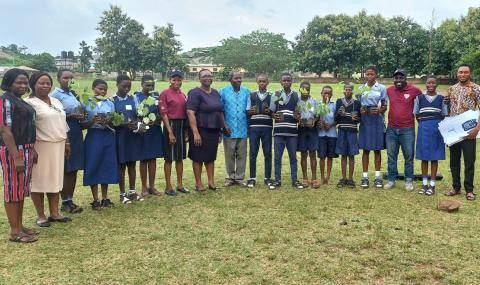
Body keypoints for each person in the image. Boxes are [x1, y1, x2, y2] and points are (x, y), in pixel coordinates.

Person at [25, 72, 72, 227]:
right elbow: (26, 128)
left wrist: (67, 142)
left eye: (48, 83)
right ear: (33, 84)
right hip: (41, 146)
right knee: (39, 181)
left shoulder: (56, 101)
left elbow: (63, 123)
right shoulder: (29, 103)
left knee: (55, 180)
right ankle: (41, 215)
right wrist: (31, 148)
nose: (45, 86)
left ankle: (55, 213)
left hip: (58, 145)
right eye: (41, 83)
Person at [0, 68, 38, 243]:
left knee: (21, 189)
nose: (23, 85)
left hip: (27, 148)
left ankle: (19, 225)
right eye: (18, 82)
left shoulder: (19, 101)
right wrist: (16, 156)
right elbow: (5, 130)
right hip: (14, 150)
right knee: (13, 189)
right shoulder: (5, 101)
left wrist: (33, 149)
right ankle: (15, 232)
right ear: (9, 83)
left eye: (25, 82)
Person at [186, 69, 227, 192]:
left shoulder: (215, 93)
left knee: (210, 157)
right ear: (199, 78)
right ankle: (198, 183)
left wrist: (220, 130)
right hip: (200, 129)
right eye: (204, 76)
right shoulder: (195, 93)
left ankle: (211, 182)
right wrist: (195, 132)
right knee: (197, 157)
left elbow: (219, 111)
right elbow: (190, 112)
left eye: (210, 75)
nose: (207, 78)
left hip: (213, 130)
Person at [444, 64, 480, 201]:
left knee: (469, 161)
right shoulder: (452, 89)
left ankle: (469, 190)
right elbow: (447, 106)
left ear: (470, 74)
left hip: (469, 131)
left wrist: (477, 129)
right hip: (454, 132)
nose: (462, 74)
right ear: (457, 73)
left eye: (465, 72)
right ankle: (456, 187)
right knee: (454, 161)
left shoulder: (476, 89)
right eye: (460, 72)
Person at [50, 69, 84, 213]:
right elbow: (54, 115)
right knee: (65, 167)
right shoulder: (54, 96)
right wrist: (71, 115)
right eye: (65, 78)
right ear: (58, 79)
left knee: (74, 167)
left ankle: (70, 199)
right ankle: (64, 201)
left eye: (71, 78)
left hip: (76, 131)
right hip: (64, 132)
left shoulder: (72, 93)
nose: (69, 80)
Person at [83, 79, 119, 210]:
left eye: (104, 89)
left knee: (106, 165)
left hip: (107, 136)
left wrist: (108, 121)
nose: (102, 91)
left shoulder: (109, 103)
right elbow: (83, 124)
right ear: (93, 89)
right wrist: (93, 121)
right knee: (94, 165)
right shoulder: (86, 102)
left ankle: (105, 198)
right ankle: (95, 199)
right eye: (99, 89)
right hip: (94, 136)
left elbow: (114, 121)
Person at [384, 69, 422, 191]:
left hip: (407, 129)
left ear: (406, 78)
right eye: (396, 78)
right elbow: (381, 103)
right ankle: (391, 180)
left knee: (409, 156)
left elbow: (424, 102)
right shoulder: (389, 90)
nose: (398, 80)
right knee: (391, 156)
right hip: (391, 129)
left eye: (401, 78)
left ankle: (409, 181)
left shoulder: (415, 91)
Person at [413, 76, 448, 196]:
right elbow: (417, 115)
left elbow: (444, 115)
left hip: (437, 130)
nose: (431, 85)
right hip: (423, 128)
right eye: (428, 83)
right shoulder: (419, 98)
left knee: (434, 157)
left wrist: (435, 124)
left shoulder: (441, 99)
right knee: (424, 157)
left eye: (433, 83)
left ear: (437, 84)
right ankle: (424, 184)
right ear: (425, 84)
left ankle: (432, 185)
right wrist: (425, 124)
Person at [269, 73, 304, 190]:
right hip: (279, 132)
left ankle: (295, 181)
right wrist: (274, 116)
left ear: (291, 82)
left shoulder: (296, 96)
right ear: (280, 82)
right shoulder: (276, 94)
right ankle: (277, 180)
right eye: (284, 81)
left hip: (292, 133)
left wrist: (297, 116)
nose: (286, 83)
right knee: (277, 158)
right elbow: (271, 112)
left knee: (293, 158)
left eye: (288, 81)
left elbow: (298, 113)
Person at [113, 74, 143, 203]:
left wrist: (138, 123)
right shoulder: (112, 100)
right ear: (117, 85)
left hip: (132, 136)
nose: (126, 88)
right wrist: (124, 124)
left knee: (132, 164)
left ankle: (132, 191)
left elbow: (138, 115)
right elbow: (111, 121)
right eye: (123, 86)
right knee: (122, 165)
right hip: (120, 137)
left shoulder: (133, 99)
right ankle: (122, 194)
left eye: (129, 86)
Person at [159, 71, 189, 196]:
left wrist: (186, 132)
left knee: (180, 157)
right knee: (169, 158)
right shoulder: (165, 93)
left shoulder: (183, 94)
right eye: (174, 80)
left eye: (179, 80)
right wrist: (170, 133)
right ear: (169, 80)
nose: (176, 82)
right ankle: (168, 186)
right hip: (170, 125)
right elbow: (164, 114)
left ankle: (180, 184)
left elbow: (186, 114)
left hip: (182, 126)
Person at [358, 66, 387, 189]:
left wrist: (379, 110)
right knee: (365, 149)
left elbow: (385, 105)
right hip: (365, 120)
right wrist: (360, 110)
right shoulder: (360, 88)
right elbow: (358, 105)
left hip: (376, 119)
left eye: (372, 74)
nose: (369, 76)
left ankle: (377, 177)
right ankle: (365, 177)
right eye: (367, 74)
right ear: (365, 75)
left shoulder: (381, 88)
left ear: (376, 75)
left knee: (377, 149)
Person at [134, 75, 164, 197]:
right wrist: (142, 121)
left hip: (155, 130)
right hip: (143, 131)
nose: (150, 87)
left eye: (152, 85)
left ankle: (152, 186)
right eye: (147, 85)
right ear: (141, 84)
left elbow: (161, 111)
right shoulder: (136, 97)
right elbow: (135, 114)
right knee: (144, 159)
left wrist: (157, 119)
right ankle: (144, 187)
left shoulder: (156, 96)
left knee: (153, 158)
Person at [220, 71, 249, 187]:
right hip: (229, 128)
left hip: (242, 128)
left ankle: (240, 177)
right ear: (230, 80)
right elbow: (220, 110)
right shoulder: (223, 92)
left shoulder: (247, 92)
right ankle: (231, 177)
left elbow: (249, 109)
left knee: (242, 154)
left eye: (240, 78)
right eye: (236, 78)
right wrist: (224, 125)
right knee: (229, 154)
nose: (239, 80)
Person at [246, 73, 273, 188]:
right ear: (257, 82)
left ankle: (267, 178)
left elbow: (274, 113)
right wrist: (251, 111)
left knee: (267, 153)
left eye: (264, 81)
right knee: (253, 153)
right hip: (254, 128)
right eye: (260, 81)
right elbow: (247, 111)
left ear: (268, 82)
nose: (262, 83)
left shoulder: (272, 95)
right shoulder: (251, 95)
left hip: (267, 128)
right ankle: (252, 178)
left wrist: (270, 112)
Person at [335, 83, 361, 188]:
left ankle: (350, 178)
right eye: (346, 89)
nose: (347, 91)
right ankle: (344, 178)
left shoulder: (357, 103)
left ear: (352, 91)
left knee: (351, 155)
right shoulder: (339, 102)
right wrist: (339, 113)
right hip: (342, 130)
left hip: (352, 131)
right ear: (343, 91)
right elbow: (335, 118)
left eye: (349, 90)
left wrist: (357, 119)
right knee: (343, 155)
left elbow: (360, 118)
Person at [297, 81, 319, 188]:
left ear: (310, 89)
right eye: (303, 89)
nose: (305, 91)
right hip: (301, 130)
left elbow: (317, 115)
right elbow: (295, 114)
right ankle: (305, 178)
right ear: (300, 89)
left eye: (307, 89)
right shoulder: (296, 101)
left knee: (313, 154)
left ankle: (314, 178)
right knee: (303, 154)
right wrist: (298, 120)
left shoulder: (314, 102)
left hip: (312, 130)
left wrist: (314, 121)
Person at [317, 86, 338, 185]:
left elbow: (337, 119)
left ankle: (328, 177)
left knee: (330, 156)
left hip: (332, 134)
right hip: (321, 135)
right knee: (322, 157)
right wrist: (320, 122)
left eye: (329, 93)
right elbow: (316, 118)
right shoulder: (318, 105)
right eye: (325, 93)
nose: (327, 95)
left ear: (332, 94)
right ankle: (322, 177)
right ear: (321, 93)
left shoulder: (334, 106)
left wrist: (331, 125)